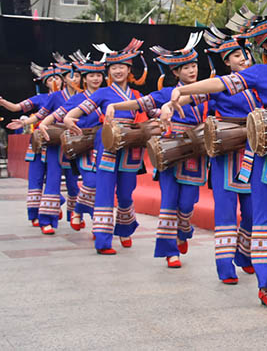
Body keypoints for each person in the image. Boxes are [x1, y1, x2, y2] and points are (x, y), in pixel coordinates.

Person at [167, 0, 267, 308]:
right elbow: (220, 85)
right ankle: (266, 286)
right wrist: (183, 91)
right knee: (266, 218)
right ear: (266, 46)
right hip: (266, 154)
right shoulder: (259, 74)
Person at [163, 26, 257, 282]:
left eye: (245, 54)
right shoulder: (219, 85)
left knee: (251, 212)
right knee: (226, 211)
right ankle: (224, 266)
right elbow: (192, 97)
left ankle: (245, 254)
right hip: (226, 153)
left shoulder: (260, 80)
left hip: (253, 151)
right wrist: (171, 105)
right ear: (226, 61)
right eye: (237, 56)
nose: (243, 59)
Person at [107, 33, 206, 269]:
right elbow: (140, 104)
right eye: (185, 68)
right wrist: (115, 105)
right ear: (175, 73)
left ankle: (183, 230)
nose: (192, 71)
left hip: (196, 149)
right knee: (170, 200)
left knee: (188, 202)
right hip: (170, 149)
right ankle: (170, 251)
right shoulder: (164, 94)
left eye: (193, 66)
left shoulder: (207, 91)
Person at [63, 39, 149, 255]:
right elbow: (78, 111)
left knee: (127, 193)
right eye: (114, 68)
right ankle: (103, 240)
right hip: (107, 143)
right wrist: (69, 119)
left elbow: (153, 113)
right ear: (109, 71)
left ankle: (125, 229)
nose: (118, 71)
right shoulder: (101, 93)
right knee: (104, 190)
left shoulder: (137, 96)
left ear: (129, 69)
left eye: (122, 67)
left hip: (130, 144)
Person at [37, 52, 106, 230]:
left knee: (101, 186)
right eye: (91, 75)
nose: (96, 78)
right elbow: (58, 114)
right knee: (90, 182)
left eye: (99, 75)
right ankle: (59, 215)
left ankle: (97, 227)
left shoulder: (109, 94)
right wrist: (43, 124)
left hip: (105, 146)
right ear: (84, 78)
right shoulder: (77, 98)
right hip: (83, 145)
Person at [1, 63, 66, 227]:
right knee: (35, 178)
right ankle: (35, 214)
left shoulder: (69, 99)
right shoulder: (40, 98)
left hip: (59, 143)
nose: (54, 81)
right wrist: (3, 102)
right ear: (44, 82)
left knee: (55, 178)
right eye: (50, 79)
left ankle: (53, 205)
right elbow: (17, 107)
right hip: (38, 142)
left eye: (57, 78)